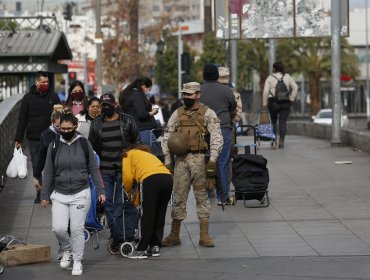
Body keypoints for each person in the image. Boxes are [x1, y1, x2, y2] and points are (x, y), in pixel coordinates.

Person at [40, 113, 105, 276]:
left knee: (77, 229)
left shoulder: (84, 144)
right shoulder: (53, 146)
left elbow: (93, 168)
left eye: (69, 128)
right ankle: (67, 249)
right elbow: (48, 172)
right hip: (59, 194)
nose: (66, 131)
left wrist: (101, 190)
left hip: (80, 192)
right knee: (58, 228)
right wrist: (44, 194)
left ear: (75, 127)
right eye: (63, 128)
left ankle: (77, 260)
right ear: (58, 127)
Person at [161, 82, 223, 248]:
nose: (186, 97)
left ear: (198, 95)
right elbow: (167, 136)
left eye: (189, 94)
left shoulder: (208, 114)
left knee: (201, 196)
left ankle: (204, 235)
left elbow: (217, 137)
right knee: (179, 195)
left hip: (199, 160)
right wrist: (168, 161)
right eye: (184, 94)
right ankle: (174, 235)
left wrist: (213, 159)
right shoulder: (177, 113)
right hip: (181, 161)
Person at [88, 93, 140, 238]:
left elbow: (137, 143)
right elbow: (90, 147)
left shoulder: (128, 121)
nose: (106, 108)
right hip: (104, 170)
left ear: (115, 104)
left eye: (108, 105)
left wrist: (135, 164)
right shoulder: (96, 124)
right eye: (103, 105)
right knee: (107, 202)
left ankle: (125, 230)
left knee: (121, 201)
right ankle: (115, 232)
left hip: (124, 169)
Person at [15, 71, 60, 203]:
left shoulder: (53, 97)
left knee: (51, 165)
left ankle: (50, 192)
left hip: (51, 137)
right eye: (43, 82)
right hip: (34, 138)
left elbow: (59, 117)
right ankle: (40, 193)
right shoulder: (28, 98)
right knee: (37, 166)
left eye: (47, 82)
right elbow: (22, 119)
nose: (46, 84)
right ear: (37, 83)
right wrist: (18, 139)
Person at [120, 144, 173, 259]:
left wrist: (128, 192)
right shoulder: (149, 155)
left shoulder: (127, 155)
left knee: (147, 215)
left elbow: (127, 177)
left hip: (150, 179)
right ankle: (155, 246)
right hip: (167, 178)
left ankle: (141, 249)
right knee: (160, 214)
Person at [200, 63, 236, 206]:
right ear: (217, 76)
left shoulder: (198, 91)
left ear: (203, 76)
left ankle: (209, 192)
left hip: (203, 130)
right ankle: (223, 196)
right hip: (223, 128)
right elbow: (232, 107)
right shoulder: (226, 90)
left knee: (206, 160)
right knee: (222, 161)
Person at [119, 77, 162, 158]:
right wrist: (153, 112)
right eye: (148, 89)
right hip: (144, 131)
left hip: (134, 132)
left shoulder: (129, 95)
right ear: (143, 86)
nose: (148, 92)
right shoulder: (137, 95)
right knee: (156, 157)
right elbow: (141, 114)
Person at [262, 61, 298, 148]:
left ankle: (274, 141)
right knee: (283, 122)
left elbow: (266, 91)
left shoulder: (270, 78)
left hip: (273, 102)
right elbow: (295, 87)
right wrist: (292, 99)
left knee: (273, 122)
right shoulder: (287, 77)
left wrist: (264, 103)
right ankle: (281, 141)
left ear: (274, 69)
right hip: (286, 102)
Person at [33, 105, 65, 195]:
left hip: (66, 173)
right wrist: (36, 176)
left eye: (61, 126)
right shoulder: (46, 135)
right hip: (51, 174)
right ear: (52, 122)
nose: (60, 129)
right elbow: (41, 157)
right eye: (57, 126)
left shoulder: (68, 132)